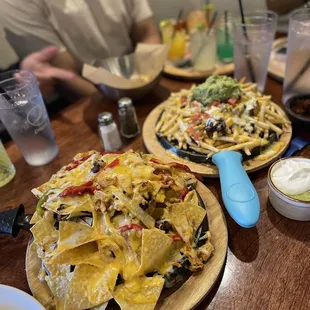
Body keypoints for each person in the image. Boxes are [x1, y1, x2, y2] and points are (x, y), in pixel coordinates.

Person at [0, 0, 160, 97]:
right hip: (89, 96)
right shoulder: (15, 3)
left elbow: (147, 32)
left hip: (142, 79)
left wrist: (147, 81)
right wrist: (121, 99)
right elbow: (69, 74)